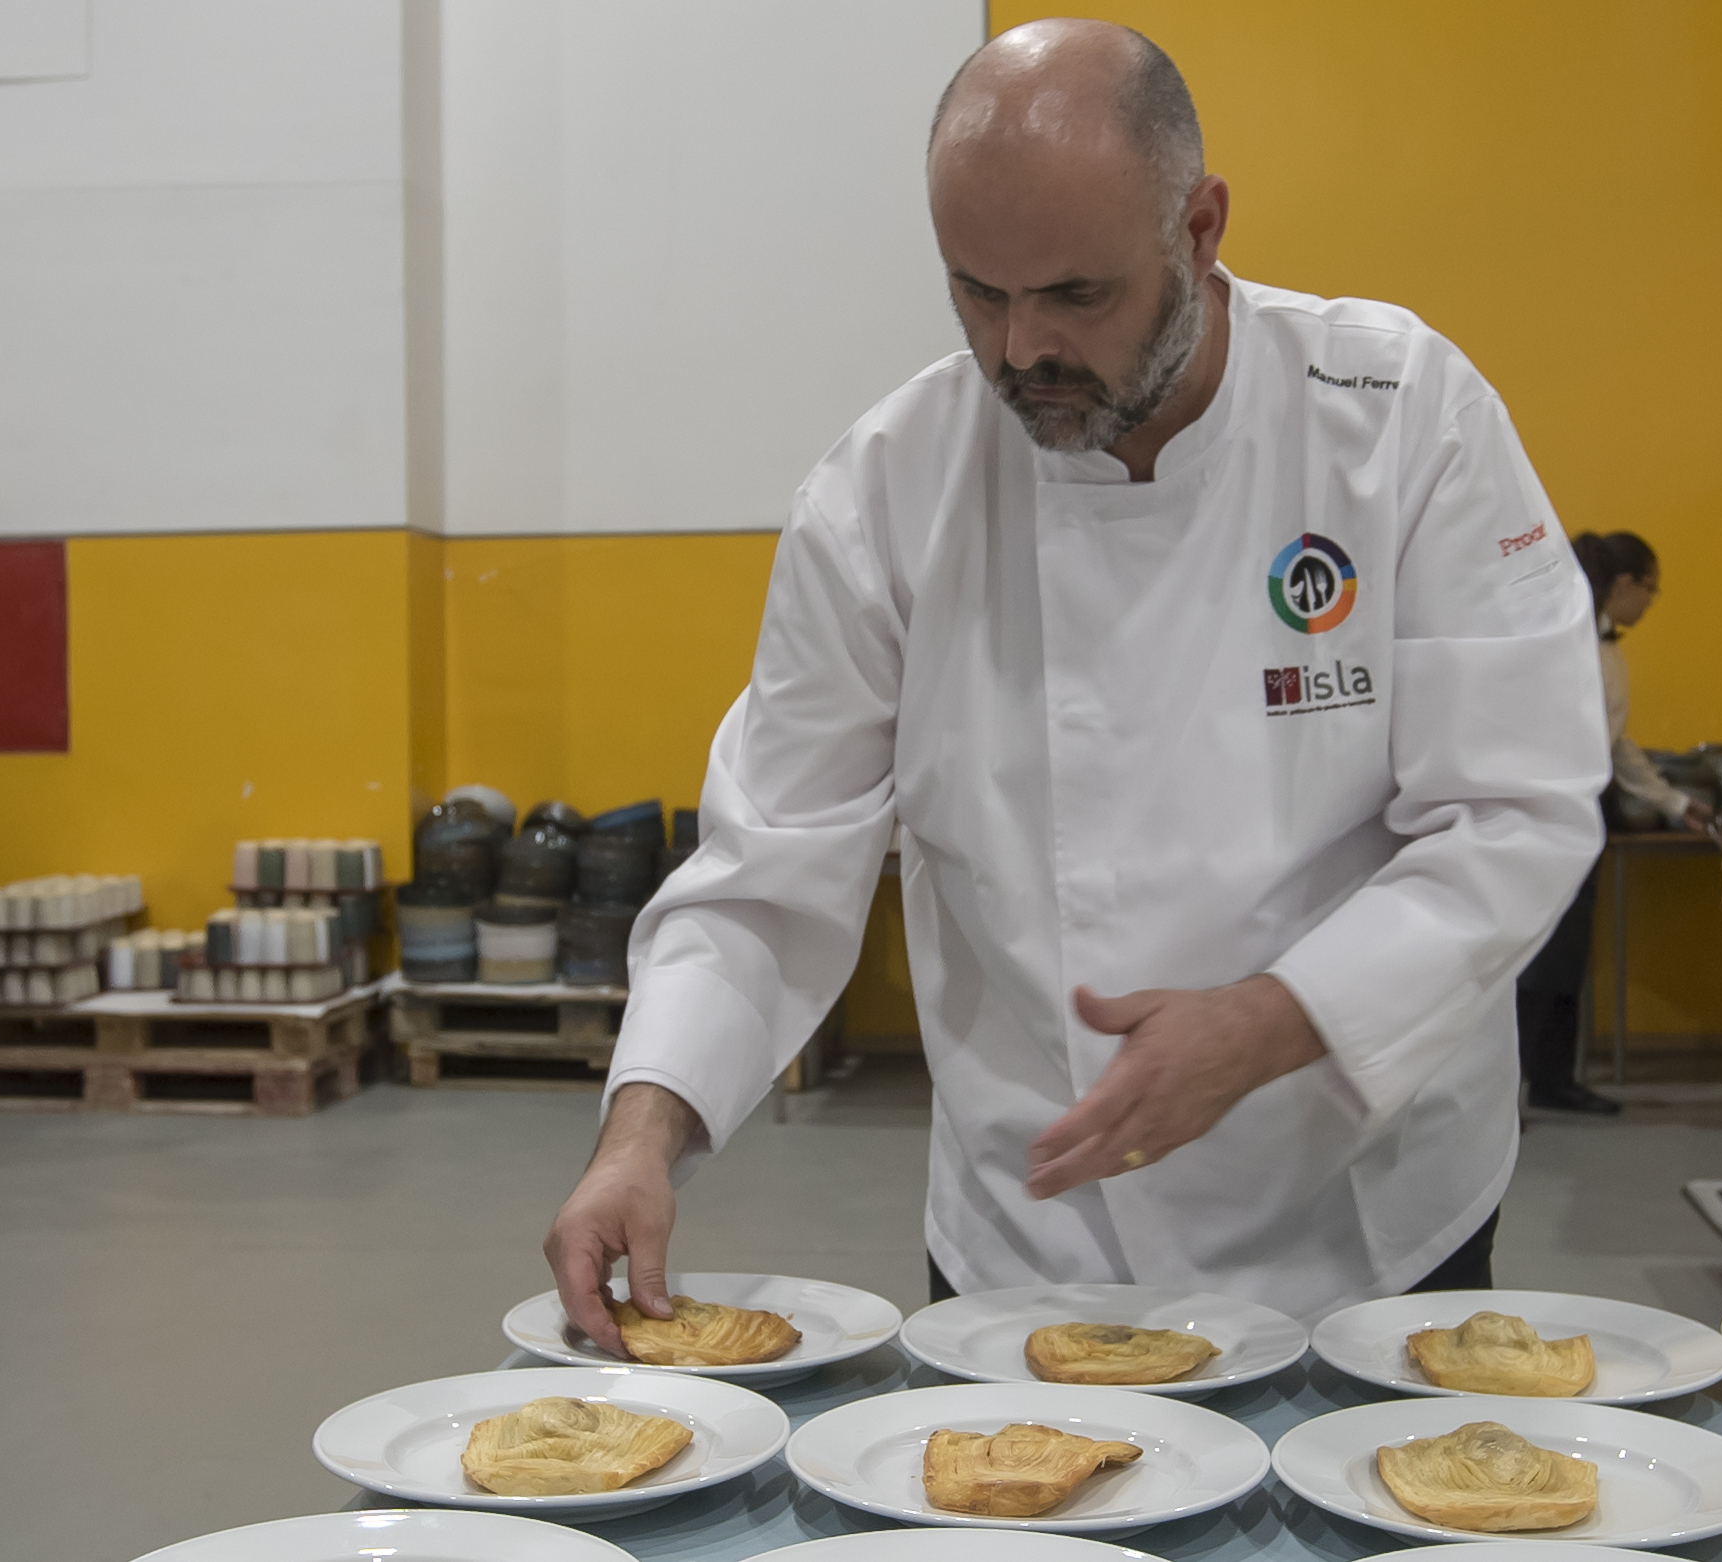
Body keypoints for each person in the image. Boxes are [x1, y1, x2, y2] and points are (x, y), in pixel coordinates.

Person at [543, 20, 1608, 1337]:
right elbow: (770, 867)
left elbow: (1516, 809)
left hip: (1365, 1211)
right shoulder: (887, 489)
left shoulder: (1399, 417)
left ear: (1199, 229)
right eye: (976, 292)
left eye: (1075, 296)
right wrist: (641, 1135)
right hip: (1031, 1228)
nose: (1020, 348)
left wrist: (1274, 1018)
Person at [1514, 531, 1705, 1117]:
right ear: (1623, 584)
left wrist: (1674, 803)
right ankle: (1512, 1093)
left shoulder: (1604, 649)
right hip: (1548, 810)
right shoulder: (1568, 643)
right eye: (1650, 588)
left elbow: (1614, 744)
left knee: (1566, 954)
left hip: (1581, 810)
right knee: (1536, 959)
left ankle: (1552, 1080)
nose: (1650, 601)